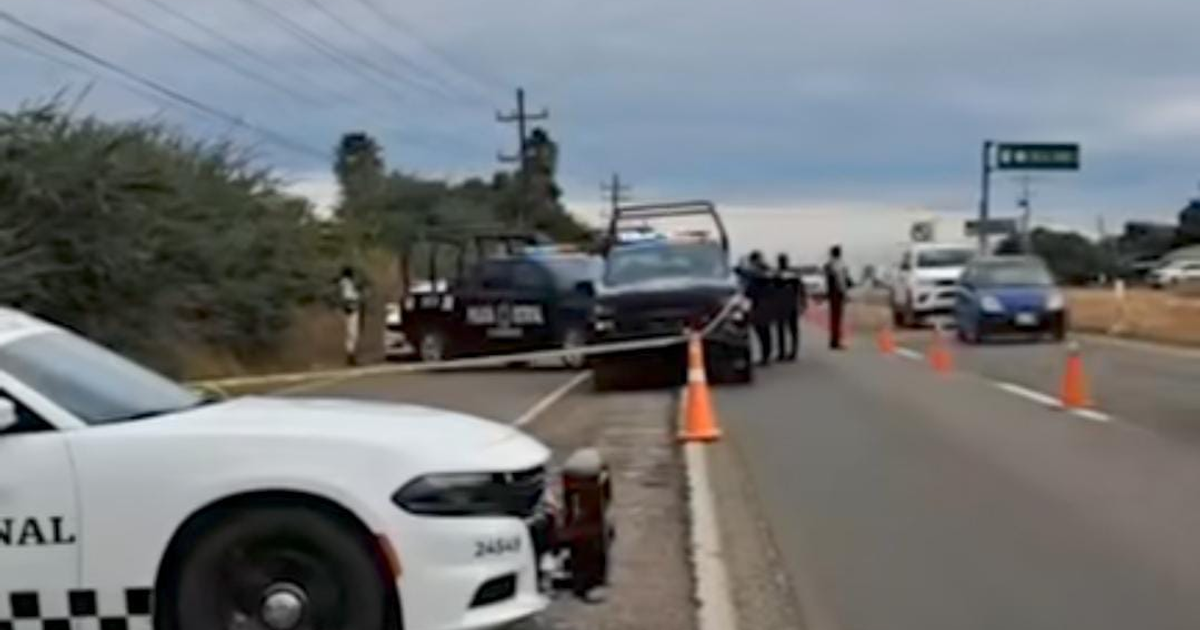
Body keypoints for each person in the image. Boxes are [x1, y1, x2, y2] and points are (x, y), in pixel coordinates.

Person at [743, 251, 775, 365]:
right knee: (764, 332)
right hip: (765, 304)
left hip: (759, 304)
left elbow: (749, 291)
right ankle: (766, 355)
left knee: (761, 331)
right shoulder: (766, 271)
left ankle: (765, 356)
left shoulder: (756, 273)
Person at [774, 253, 805, 360]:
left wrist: (802, 301)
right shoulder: (791, 274)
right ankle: (791, 352)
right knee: (789, 329)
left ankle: (786, 352)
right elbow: (801, 289)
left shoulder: (777, 274)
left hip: (784, 304)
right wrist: (802, 302)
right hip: (786, 304)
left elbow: (801, 289)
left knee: (784, 329)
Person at [823, 245, 852, 350]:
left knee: (833, 318)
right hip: (837, 293)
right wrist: (845, 293)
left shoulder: (828, 264)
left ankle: (833, 340)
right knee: (837, 318)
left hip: (831, 293)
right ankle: (836, 341)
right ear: (839, 253)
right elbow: (840, 280)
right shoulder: (838, 264)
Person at [339, 266, 362, 365]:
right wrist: (357, 296)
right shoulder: (347, 284)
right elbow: (348, 297)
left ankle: (351, 355)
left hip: (348, 310)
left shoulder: (344, 284)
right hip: (351, 310)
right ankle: (351, 356)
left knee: (351, 334)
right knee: (352, 334)